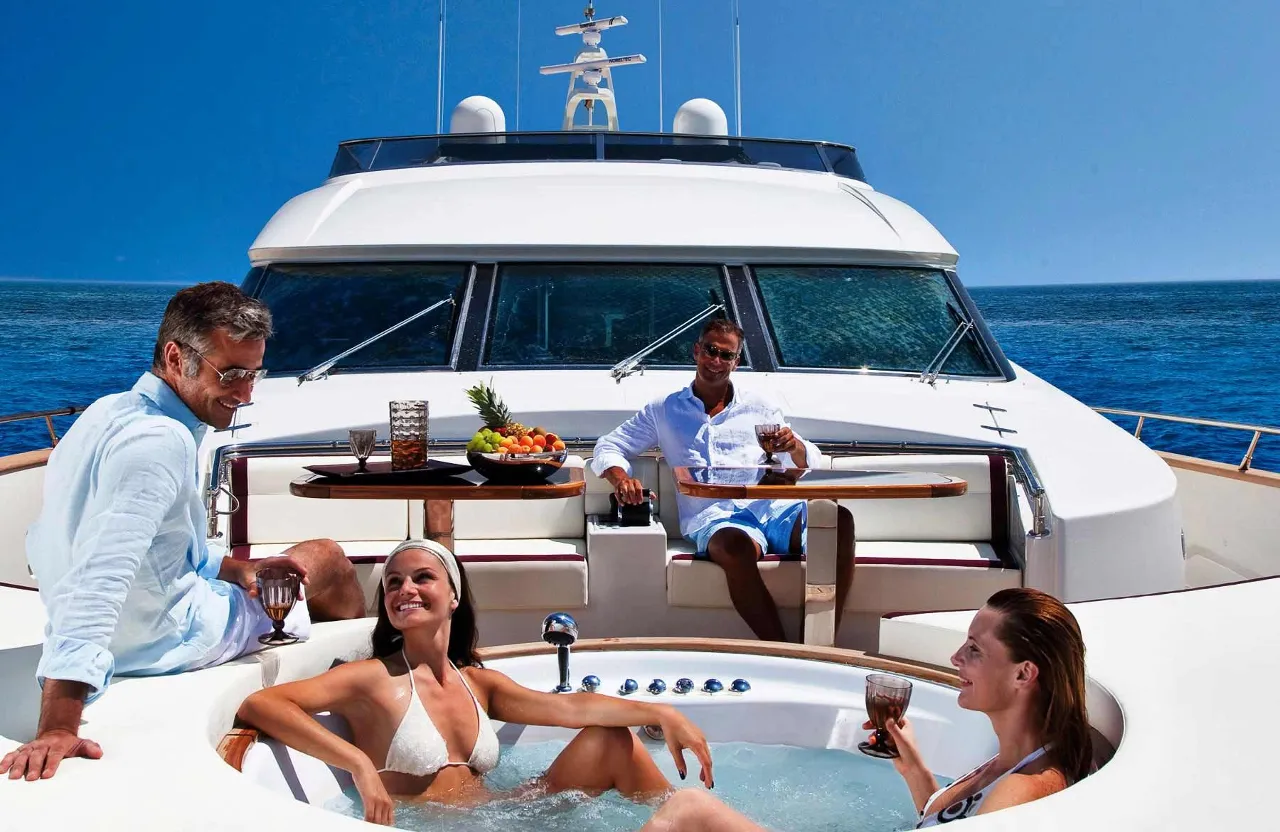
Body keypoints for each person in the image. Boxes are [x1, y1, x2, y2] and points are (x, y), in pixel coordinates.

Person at [1, 281, 366, 783]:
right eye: (232, 373)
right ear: (176, 358)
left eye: (255, 374)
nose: (246, 393)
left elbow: (144, 545)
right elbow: (102, 576)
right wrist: (58, 725)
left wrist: (237, 569)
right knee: (325, 559)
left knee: (277, 568)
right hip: (161, 641)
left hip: (125, 627)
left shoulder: (105, 413)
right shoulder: (160, 443)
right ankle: (373, 693)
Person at [236, 540, 714, 826]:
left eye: (422, 578)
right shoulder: (373, 679)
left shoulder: (478, 683)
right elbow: (264, 705)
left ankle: (675, 816)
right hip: (432, 828)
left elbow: (572, 710)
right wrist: (358, 763)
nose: (405, 590)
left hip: (506, 816)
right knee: (691, 815)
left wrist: (662, 712)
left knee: (615, 742)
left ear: (454, 596)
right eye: (393, 583)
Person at [638, 587, 1092, 831]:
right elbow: (944, 820)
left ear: (1023, 674)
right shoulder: (1014, 759)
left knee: (690, 809)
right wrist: (913, 768)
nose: (956, 658)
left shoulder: (1021, 791)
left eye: (975, 649)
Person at [592, 318, 855, 641]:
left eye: (725, 355)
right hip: (712, 518)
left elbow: (805, 461)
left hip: (771, 510)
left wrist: (795, 447)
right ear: (696, 351)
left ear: (736, 362)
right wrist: (621, 479)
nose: (716, 361)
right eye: (710, 351)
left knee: (838, 521)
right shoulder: (665, 409)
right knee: (733, 545)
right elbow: (609, 445)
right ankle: (782, 650)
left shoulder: (760, 407)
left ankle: (821, 640)